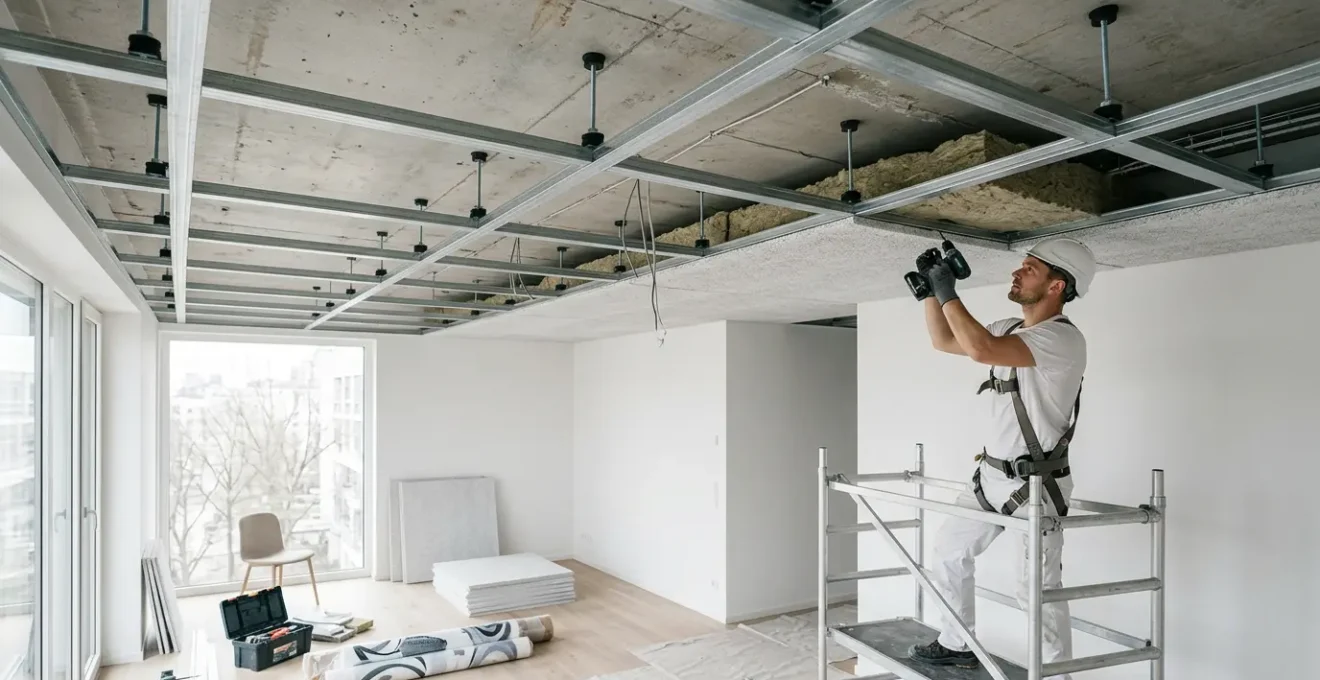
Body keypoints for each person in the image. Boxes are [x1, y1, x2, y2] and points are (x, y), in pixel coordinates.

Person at [906, 237, 1097, 679]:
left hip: (1036, 489)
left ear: (1057, 285)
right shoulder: (1010, 327)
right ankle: (956, 643)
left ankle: (1055, 676)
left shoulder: (1062, 340)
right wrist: (933, 295)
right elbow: (944, 341)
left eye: (1029, 268)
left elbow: (979, 350)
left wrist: (949, 290)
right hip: (991, 480)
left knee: (1035, 591)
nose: (1016, 272)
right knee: (949, 551)